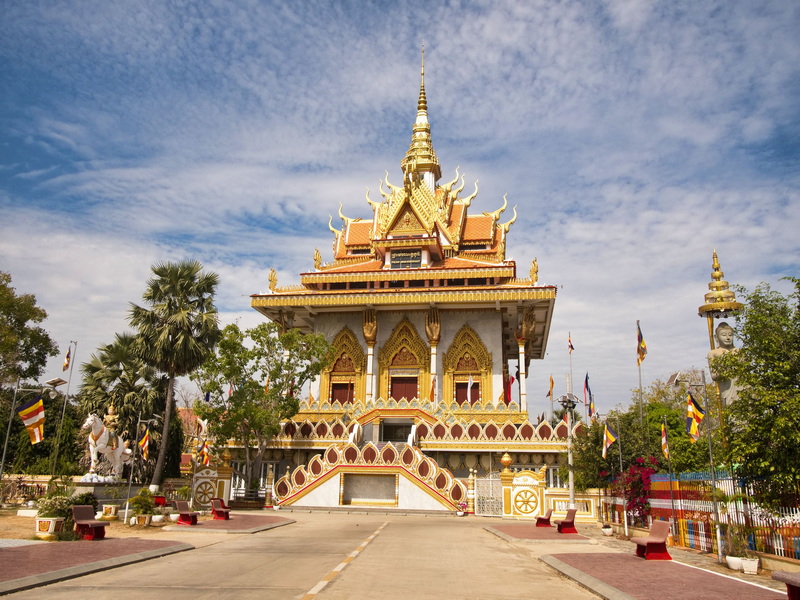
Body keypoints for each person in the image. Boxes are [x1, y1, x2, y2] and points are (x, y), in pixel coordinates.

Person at [707, 322, 739, 406]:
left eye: (730, 335)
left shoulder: (739, 352)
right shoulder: (713, 353)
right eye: (724, 335)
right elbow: (714, 375)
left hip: (742, 386)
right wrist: (723, 371)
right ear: (716, 337)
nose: (728, 338)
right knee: (732, 413)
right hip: (727, 387)